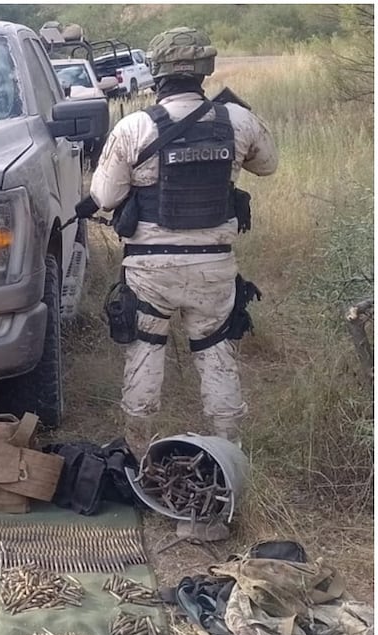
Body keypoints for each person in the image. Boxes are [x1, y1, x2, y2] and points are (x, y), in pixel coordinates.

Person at [77, 27, 277, 453]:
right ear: (205, 69)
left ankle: (136, 452)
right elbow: (268, 164)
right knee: (216, 352)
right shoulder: (237, 120)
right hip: (213, 268)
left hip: (150, 270)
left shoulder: (133, 127)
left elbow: (105, 197)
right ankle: (229, 452)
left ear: (156, 72)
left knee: (145, 353)